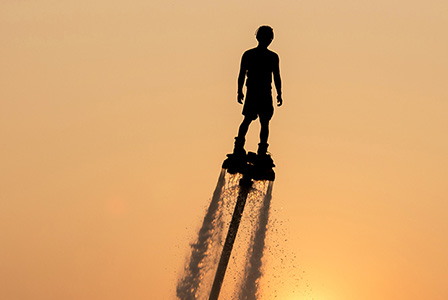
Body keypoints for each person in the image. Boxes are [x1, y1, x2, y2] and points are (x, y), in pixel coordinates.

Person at [233, 25, 283, 156]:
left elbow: (276, 76)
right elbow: (242, 74)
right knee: (256, 121)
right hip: (259, 92)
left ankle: (249, 147)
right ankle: (248, 148)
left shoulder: (255, 55)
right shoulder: (267, 56)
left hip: (260, 92)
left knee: (255, 120)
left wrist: (279, 93)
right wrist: (239, 91)